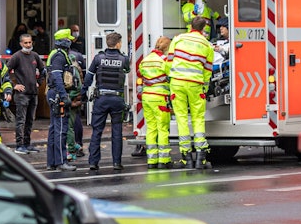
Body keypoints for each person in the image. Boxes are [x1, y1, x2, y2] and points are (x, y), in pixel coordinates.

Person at [167, 16, 215, 167]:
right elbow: (208, 70)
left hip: (177, 83)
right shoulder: (207, 45)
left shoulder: (178, 39)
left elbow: (169, 62)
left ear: (190, 26)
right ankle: (201, 158)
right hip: (195, 84)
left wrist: (171, 79)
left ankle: (186, 158)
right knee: (198, 118)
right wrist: (205, 88)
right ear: (203, 29)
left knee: (181, 118)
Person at [81, 31, 131, 172]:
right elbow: (126, 71)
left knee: (97, 131)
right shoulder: (124, 59)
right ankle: (116, 163)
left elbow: (88, 78)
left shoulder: (98, 58)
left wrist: (83, 93)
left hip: (101, 99)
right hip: (117, 99)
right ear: (118, 43)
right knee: (117, 131)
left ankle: (93, 162)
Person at [6, 32, 45, 155]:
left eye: (30, 42)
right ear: (20, 43)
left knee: (30, 120)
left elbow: (43, 70)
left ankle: (27, 144)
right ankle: (19, 145)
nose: (28, 45)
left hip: (33, 93)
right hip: (22, 94)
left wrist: (39, 82)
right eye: (25, 43)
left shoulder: (35, 56)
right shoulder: (16, 56)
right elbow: (4, 73)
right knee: (21, 120)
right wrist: (14, 85)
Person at [45, 28, 78, 171]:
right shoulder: (59, 56)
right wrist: (64, 95)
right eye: (68, 39)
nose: (71, 41)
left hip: (54, 93)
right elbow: (57, 77)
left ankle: (51, 162)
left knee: (54, 129)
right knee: (60, 129)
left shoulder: (57, 54)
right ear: (64, 41)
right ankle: (61, 161)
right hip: (58, 95)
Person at [137, 35, 172, 169]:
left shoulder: (145, 60)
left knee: (151, 128)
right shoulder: (164, 60)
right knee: (162, 128)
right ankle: (164, 160)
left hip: (147, 97)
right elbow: (171, 76)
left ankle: (151, 160)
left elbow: (140, 75)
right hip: (159, 97)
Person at [66, 37, 88, 161]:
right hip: (77, 94)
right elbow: (83, 74)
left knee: (68, 124)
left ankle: (72, 148)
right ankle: (78, 145)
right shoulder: (78, 56)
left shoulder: (62, 58)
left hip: (70, 95)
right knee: (77, 120)